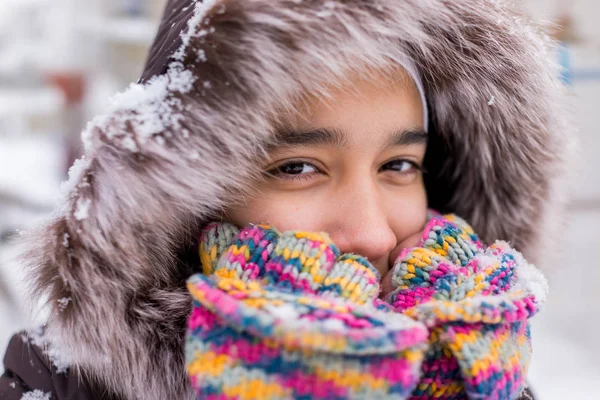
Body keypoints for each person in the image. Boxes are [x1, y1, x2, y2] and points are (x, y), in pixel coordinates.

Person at [0, 0, 571, 399]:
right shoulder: (58, 381)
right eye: (296, 168)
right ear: (181, 198)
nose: (372, 234)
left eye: (399, 165)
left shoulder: (474, 359)